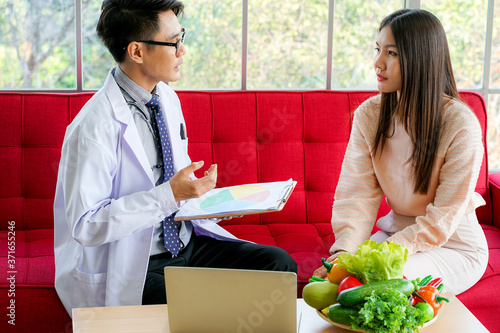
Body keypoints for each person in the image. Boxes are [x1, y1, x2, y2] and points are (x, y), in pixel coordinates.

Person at [54, 0, 296, 314]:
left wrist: (218, 204)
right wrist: (169, 195)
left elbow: (177, 187)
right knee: (202, 304)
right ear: (137, 51)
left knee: (278, 266)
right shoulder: (92, 128)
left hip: (186, 243)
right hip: (137, 265)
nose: (183, 51)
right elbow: (86, 225)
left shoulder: (166, 97)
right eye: (174, 42)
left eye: (182, 38)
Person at [313, 9, 488, 295]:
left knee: (373, 286)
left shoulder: (460, 124)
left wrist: (369, 260)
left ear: (421, 58)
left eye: (391, 53)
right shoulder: (370, 114)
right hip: (398, 235)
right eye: (378, 49)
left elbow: (440, 222)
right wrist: (345, 250)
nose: (377, 63)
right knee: (336, 283)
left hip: (454, 247)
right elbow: (357, 194)